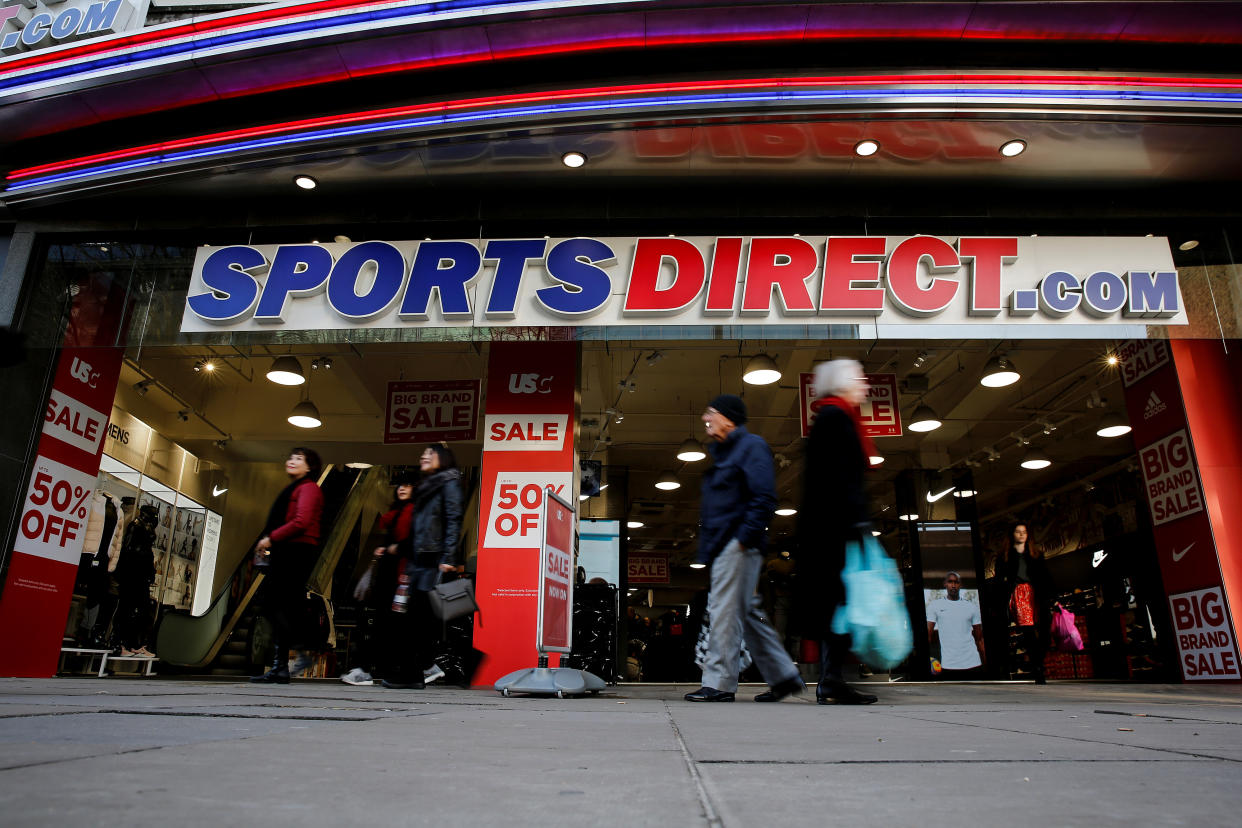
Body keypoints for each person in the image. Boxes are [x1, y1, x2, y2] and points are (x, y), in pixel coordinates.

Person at [684, 394, 804, 703]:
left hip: (737, 544)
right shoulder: (726, 453)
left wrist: (742, 539)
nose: (705, 418)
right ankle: (783, 677)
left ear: (727, 417)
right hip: (726, 546)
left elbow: (763, 497)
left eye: (710, 412)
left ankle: (720, 683)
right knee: (746, 613)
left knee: (723, 612)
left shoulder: (751, 447)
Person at [796, 359, 878, 704]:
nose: (865, 386)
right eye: (859, 379)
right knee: (840, 604)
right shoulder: (837, 419)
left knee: (837, 605)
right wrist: (858, 524)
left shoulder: (832, 417)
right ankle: (831, 681)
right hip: (834, 532)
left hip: (826, 531)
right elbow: (841, 480)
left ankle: (832, 679)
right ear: (843, 383)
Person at [378, 444, 463, 690]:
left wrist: (448, 556)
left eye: (430, 453)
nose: (424, 456)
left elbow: (453, 519)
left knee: (415, 620)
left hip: (432, 561)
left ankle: (413, 673)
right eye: (423, 453)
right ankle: (412, 672)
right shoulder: (429, 487)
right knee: (410, 619)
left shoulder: (448, 484)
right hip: (419, 561)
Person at [250, 448, 325, 684]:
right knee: (280, 605)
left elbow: (301, 521)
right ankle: (281, 666)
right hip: (289, 550)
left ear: (310, 467)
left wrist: (271, 538)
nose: (291, 461)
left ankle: (299, 651)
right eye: (290, 457)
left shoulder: (309, 488)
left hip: (297, 550)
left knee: (273, 604)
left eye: (299, 459)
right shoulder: (295, 488)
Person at [341, 471, 421, 686]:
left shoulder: (412, 512)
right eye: (400, 485)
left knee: (391, 626)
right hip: (393, 579)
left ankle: (374, 670)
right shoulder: (399, 512)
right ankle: (405, 671)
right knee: (390, 625)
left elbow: (414, 541)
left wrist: (394, 549)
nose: (402, 488)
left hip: (401, 579)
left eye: (408, 485)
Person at [998, 521, 1051, 684]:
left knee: (1044, 632)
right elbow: (1000, 580)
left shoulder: (1036, 554)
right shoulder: (1005, 556)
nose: (1021, 534)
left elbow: (1045, 577)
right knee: (1028, 631)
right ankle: (1038, 668)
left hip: (1036, 594)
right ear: (1012, 534)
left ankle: (1038, 661)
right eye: (1018, 531)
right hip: (1019, 594)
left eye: (1024, 532)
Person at [926, 572, 985, 678]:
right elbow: (928, 636)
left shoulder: (971, 607)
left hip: (973, 663)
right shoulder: (935, 606)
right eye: (950, 582)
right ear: (945, 584)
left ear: (960, 585)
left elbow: (979, 639)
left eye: (956, 582)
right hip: (948, 665)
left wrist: (985, 664)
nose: (953, 585)